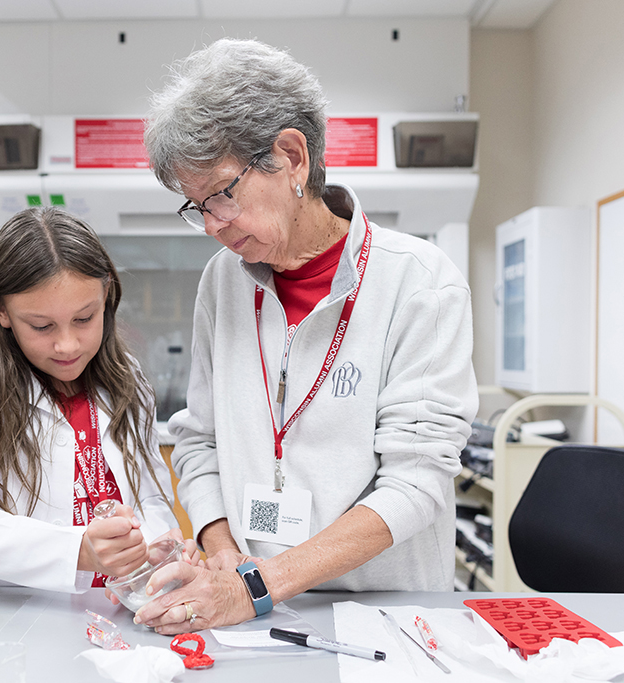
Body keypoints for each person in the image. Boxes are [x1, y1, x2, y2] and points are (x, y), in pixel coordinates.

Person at [133, 38, 478, 634]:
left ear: (292, 156)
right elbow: (198, 441)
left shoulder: (419, 283)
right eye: (196, 207)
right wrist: (222, 551)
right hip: (248, 612)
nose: (213, 226)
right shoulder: (224, 282)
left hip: (384, 617)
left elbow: (417, 480)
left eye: (221, 194)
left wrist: (258, 586)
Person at [0, 206, 192, 592]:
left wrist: (161, 546)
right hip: (4, 622)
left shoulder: (127, 379)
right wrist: (76, 550)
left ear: (106, 295)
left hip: (115, 609)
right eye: (41, 326)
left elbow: (149, 497)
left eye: (84, 318)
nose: (67, 345)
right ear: (1, 310)